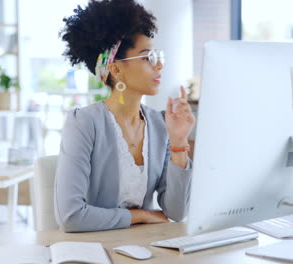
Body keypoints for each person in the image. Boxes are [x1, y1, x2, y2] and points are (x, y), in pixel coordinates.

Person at [54, 0, 195, 232]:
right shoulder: (85, 123)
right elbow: (71, 217)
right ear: (116, 69)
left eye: (158, 56)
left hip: (144, 248)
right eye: (147, 58)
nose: (159, 66)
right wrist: (141, 215)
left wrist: (179, 144)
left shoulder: (160, 124)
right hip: (94, 249)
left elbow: (177, 212)